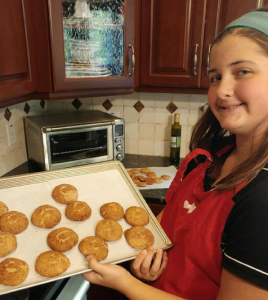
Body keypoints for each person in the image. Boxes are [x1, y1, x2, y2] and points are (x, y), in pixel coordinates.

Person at [83, 7, 268, 300]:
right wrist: (152, 265)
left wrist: (127, 283)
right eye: (215, 77)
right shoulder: (203, 159)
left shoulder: (261, 198)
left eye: (242, 71)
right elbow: (166, 240)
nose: (222, 90)